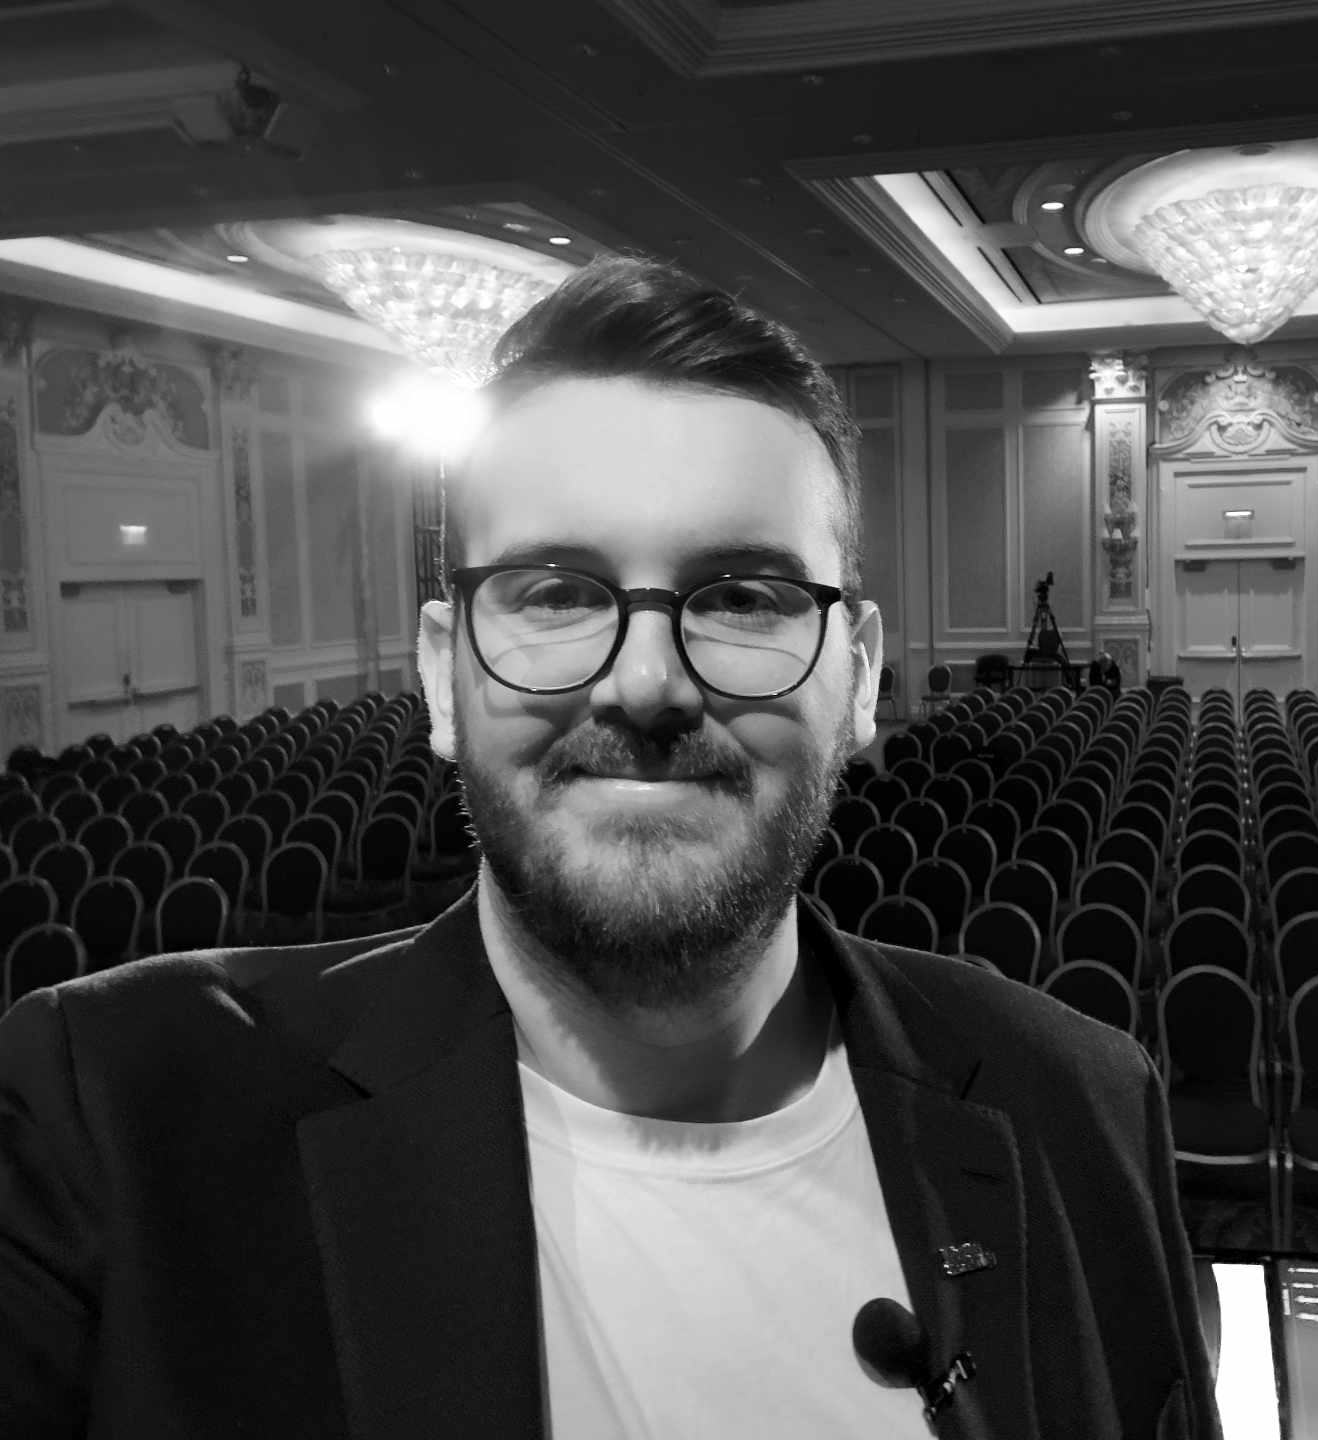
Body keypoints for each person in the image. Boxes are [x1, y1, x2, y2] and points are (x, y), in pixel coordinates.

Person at [0, 255, 1223, 1437]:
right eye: (554, 592)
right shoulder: (112, 1117)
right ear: (441, 676)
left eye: (744, 596)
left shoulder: (1083, 1106)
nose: (645, 685)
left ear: (860, 676)